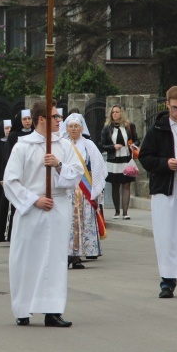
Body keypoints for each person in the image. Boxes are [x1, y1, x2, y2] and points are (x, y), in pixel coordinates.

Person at [3, 100, 83, 327]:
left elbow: (76, 175)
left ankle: (52, 309)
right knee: (26, 259)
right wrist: (34, 199)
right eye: (55, 117)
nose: (60, 121)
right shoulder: (23, 146)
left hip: (57, 208)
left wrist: (58, 165)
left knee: (55, 261)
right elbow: (10, 182)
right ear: (41, 120)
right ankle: (23, 308)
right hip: (31, 210)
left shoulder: (64, 146)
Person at [138, 86, 177, 299]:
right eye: (174, 108)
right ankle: (167, 281)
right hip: (167, 188)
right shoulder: (158, 129)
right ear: (167, 104)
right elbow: (145, 157)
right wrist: (166, 163)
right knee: (168, 235)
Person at [65, 114, 108, 268]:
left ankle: (77, 256)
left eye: (76, 126)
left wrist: (96, 189)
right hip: (67, 191)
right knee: (68, 223)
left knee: (83, 222)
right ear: (66, 128)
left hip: (85, 191)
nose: (74, 129)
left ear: (82, 128)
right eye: (71, 126)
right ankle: (67, 254)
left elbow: (99, 167)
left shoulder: (89, 145)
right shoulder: (62, 144)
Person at [0, 109, 34, 242]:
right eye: (25, 119)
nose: (28, 121)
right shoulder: (13, 136)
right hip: (17, 172)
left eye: (29, 119)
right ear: (20, 121)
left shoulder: (36, 134)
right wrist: (3, 176)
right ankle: (10, 233)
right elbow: (7, 158)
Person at [100, 105, 139, 220]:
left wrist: (133, 144)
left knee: (126, 184)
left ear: (122, 113)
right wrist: (113, 146)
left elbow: (137, 139)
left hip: (126, 159)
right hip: (113, 160)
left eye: (117, 112)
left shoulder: (129, 126)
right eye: (113, 112)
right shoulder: (107, 128)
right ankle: (117, 211)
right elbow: (101, 144)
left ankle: (125, 212)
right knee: (115, 185)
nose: (115, 114)